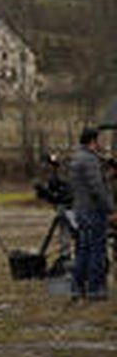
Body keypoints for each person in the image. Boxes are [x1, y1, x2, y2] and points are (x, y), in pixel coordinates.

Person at [70, 126, 115, 301]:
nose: (101, 144)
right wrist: (111, 209)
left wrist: (107, 175)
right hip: (93, 210)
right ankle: (95, 289)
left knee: (83, 249)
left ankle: (77, 286)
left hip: (81, 209)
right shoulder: (89, 160)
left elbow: (87, 184)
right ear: (93, 141)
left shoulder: (77, 158)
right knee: (97, 249)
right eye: (99, 140)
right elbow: (96, 188)